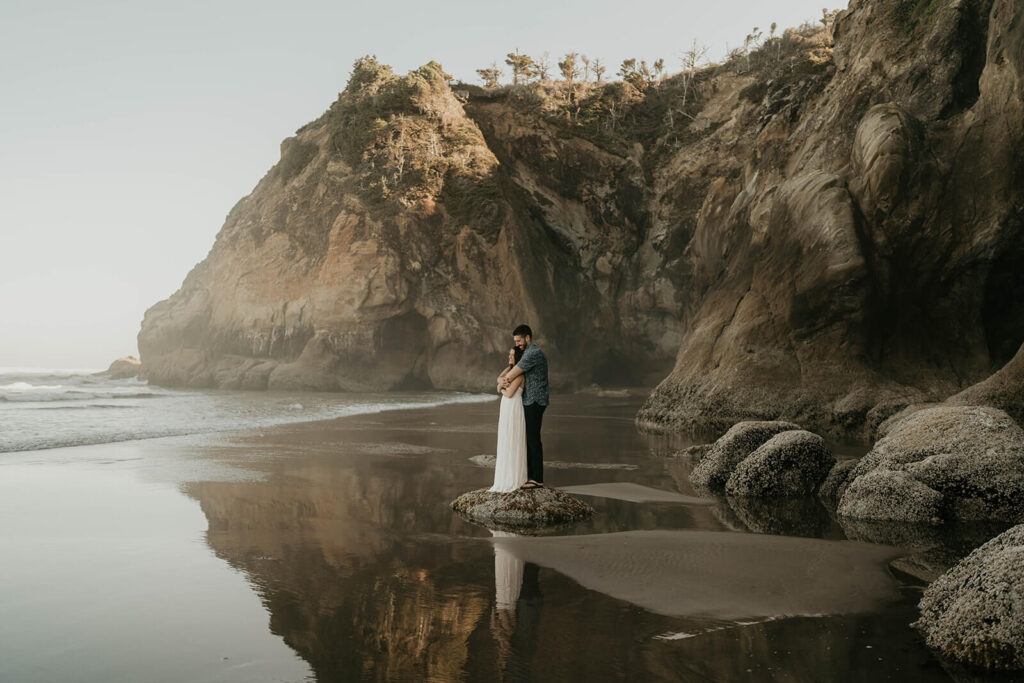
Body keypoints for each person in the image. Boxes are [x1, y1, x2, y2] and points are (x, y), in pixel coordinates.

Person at [498, 324, 549, 489]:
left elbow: (512, 374)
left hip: (535, 400)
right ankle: (530, 476)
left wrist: (502, 382)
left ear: (528, 338)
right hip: (530, 400)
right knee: (529, 438)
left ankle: (537, 479)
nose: (518, 344)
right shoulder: (527, 352)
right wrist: (502, 380)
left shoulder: (533, 353)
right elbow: (509, 374)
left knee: (533, 438)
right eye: (516, 341)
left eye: (519, 340)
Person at [490, 346, 528, 492]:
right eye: (509, 354)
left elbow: (510, 393)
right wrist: (500, 382)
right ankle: (504, 476)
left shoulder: (520, 375)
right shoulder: (510, 371)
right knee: (505, 437)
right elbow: (499, 377)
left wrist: (500, 388)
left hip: (514, 407)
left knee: (513, 437)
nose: (510, 357)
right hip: (506, 408)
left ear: (518, 357)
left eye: (513, 355)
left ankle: (514, 478)